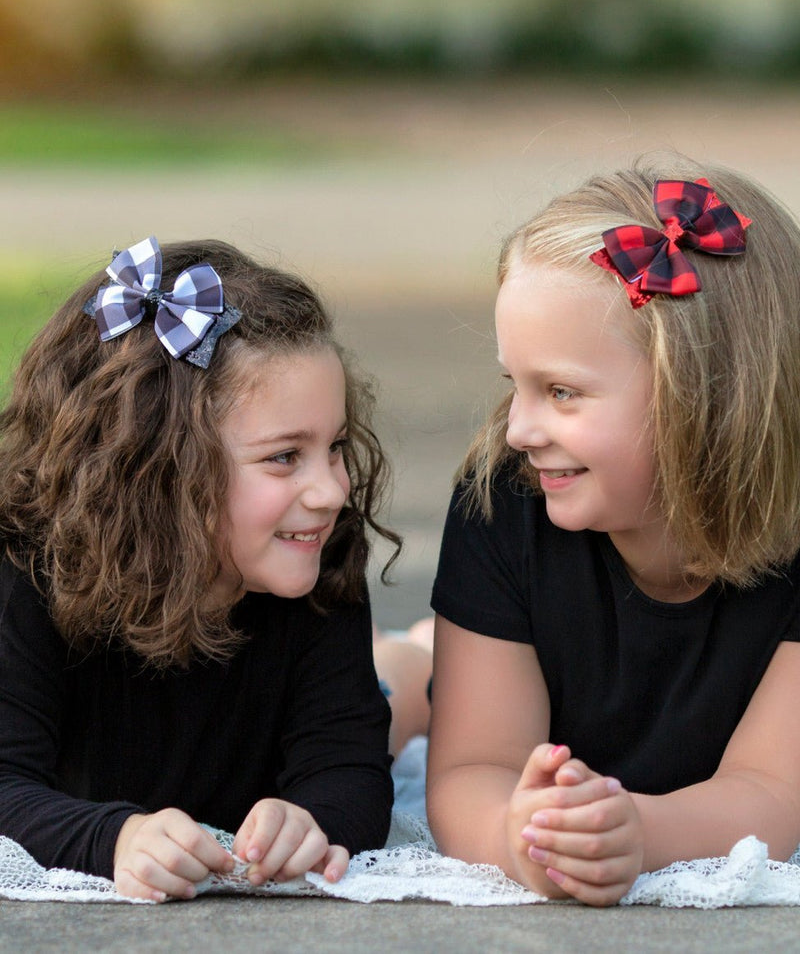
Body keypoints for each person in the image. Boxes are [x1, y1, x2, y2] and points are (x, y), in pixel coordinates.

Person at [426, 157, 800, 906]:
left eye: (561, 391)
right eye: (516, 384)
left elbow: (770, 794)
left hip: (687, 792)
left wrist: (636, 832)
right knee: (394, 695)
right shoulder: (503, 495)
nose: (521, 428)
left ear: (703, 396)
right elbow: (473, 765)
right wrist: (519, 833)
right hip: (553, 727)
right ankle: (404, 666)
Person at [0, 237, 399, 902]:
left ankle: (410, 664)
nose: (331, 490)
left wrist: (311, 820)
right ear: (159, 467)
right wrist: (115, 836)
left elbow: (350, 766)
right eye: (283, 458)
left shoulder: (315, 555)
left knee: (399, 700)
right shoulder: (28, 569)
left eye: (333, 448)